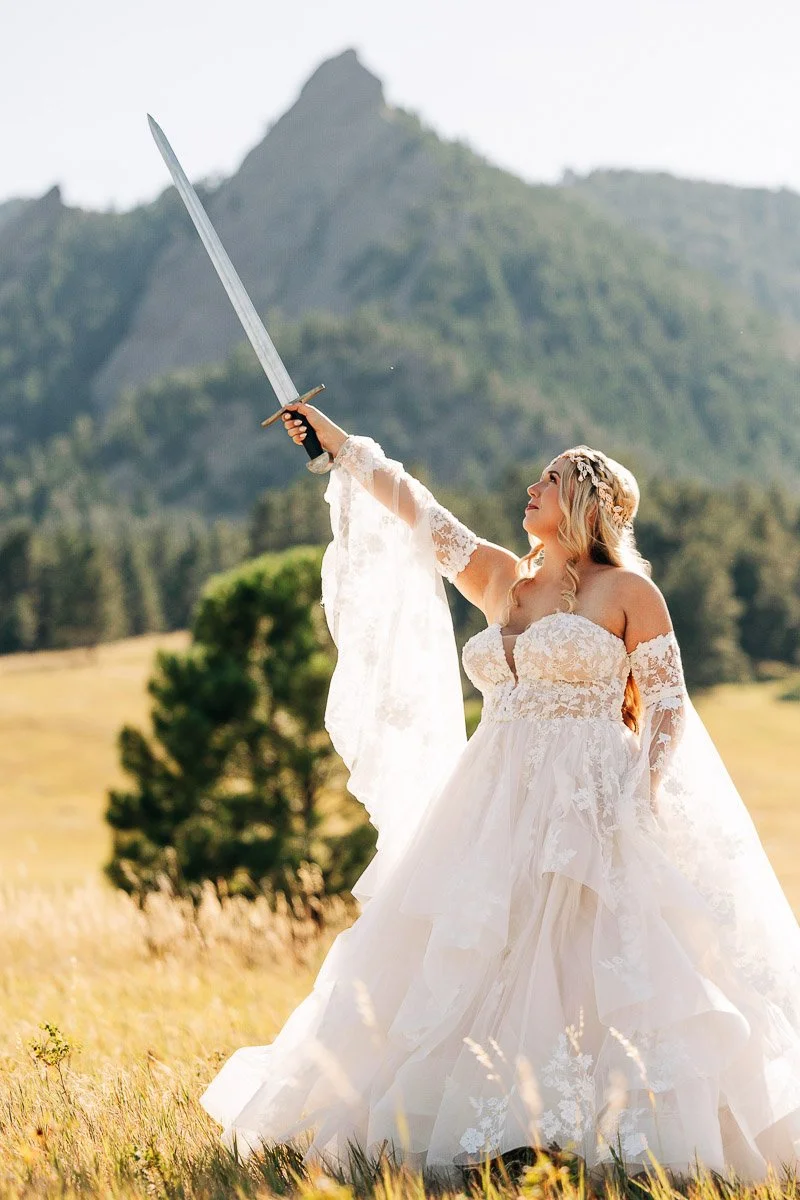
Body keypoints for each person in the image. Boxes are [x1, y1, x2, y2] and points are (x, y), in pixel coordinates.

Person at [200, 400, 800, 1186]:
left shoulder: (628, 593)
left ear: (585, 502)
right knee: (476, 950)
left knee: (595, 961)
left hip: (589, 799)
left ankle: (601, 1130)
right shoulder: (499, 579)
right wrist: (339, 446)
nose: (530, 487)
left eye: (548, 479)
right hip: (489, 801)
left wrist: (640, 792)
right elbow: (418, 508)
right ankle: (490, 1126)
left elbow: (668, 703)